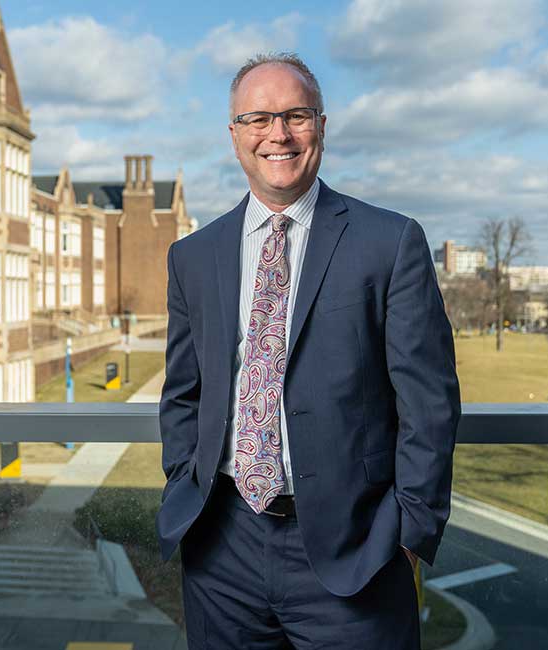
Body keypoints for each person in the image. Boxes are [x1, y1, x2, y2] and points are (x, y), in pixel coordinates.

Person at [157, 52, 462, 649]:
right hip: (222, 548)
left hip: (356, 554)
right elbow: (183, 395)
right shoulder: (193, 256)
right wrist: (182, 488)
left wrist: (410, 529)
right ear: (234, 134)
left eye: (296, 116)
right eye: (258, 118)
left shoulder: (390, 242)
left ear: (321, 126)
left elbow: (429, 403)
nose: (278, 134)